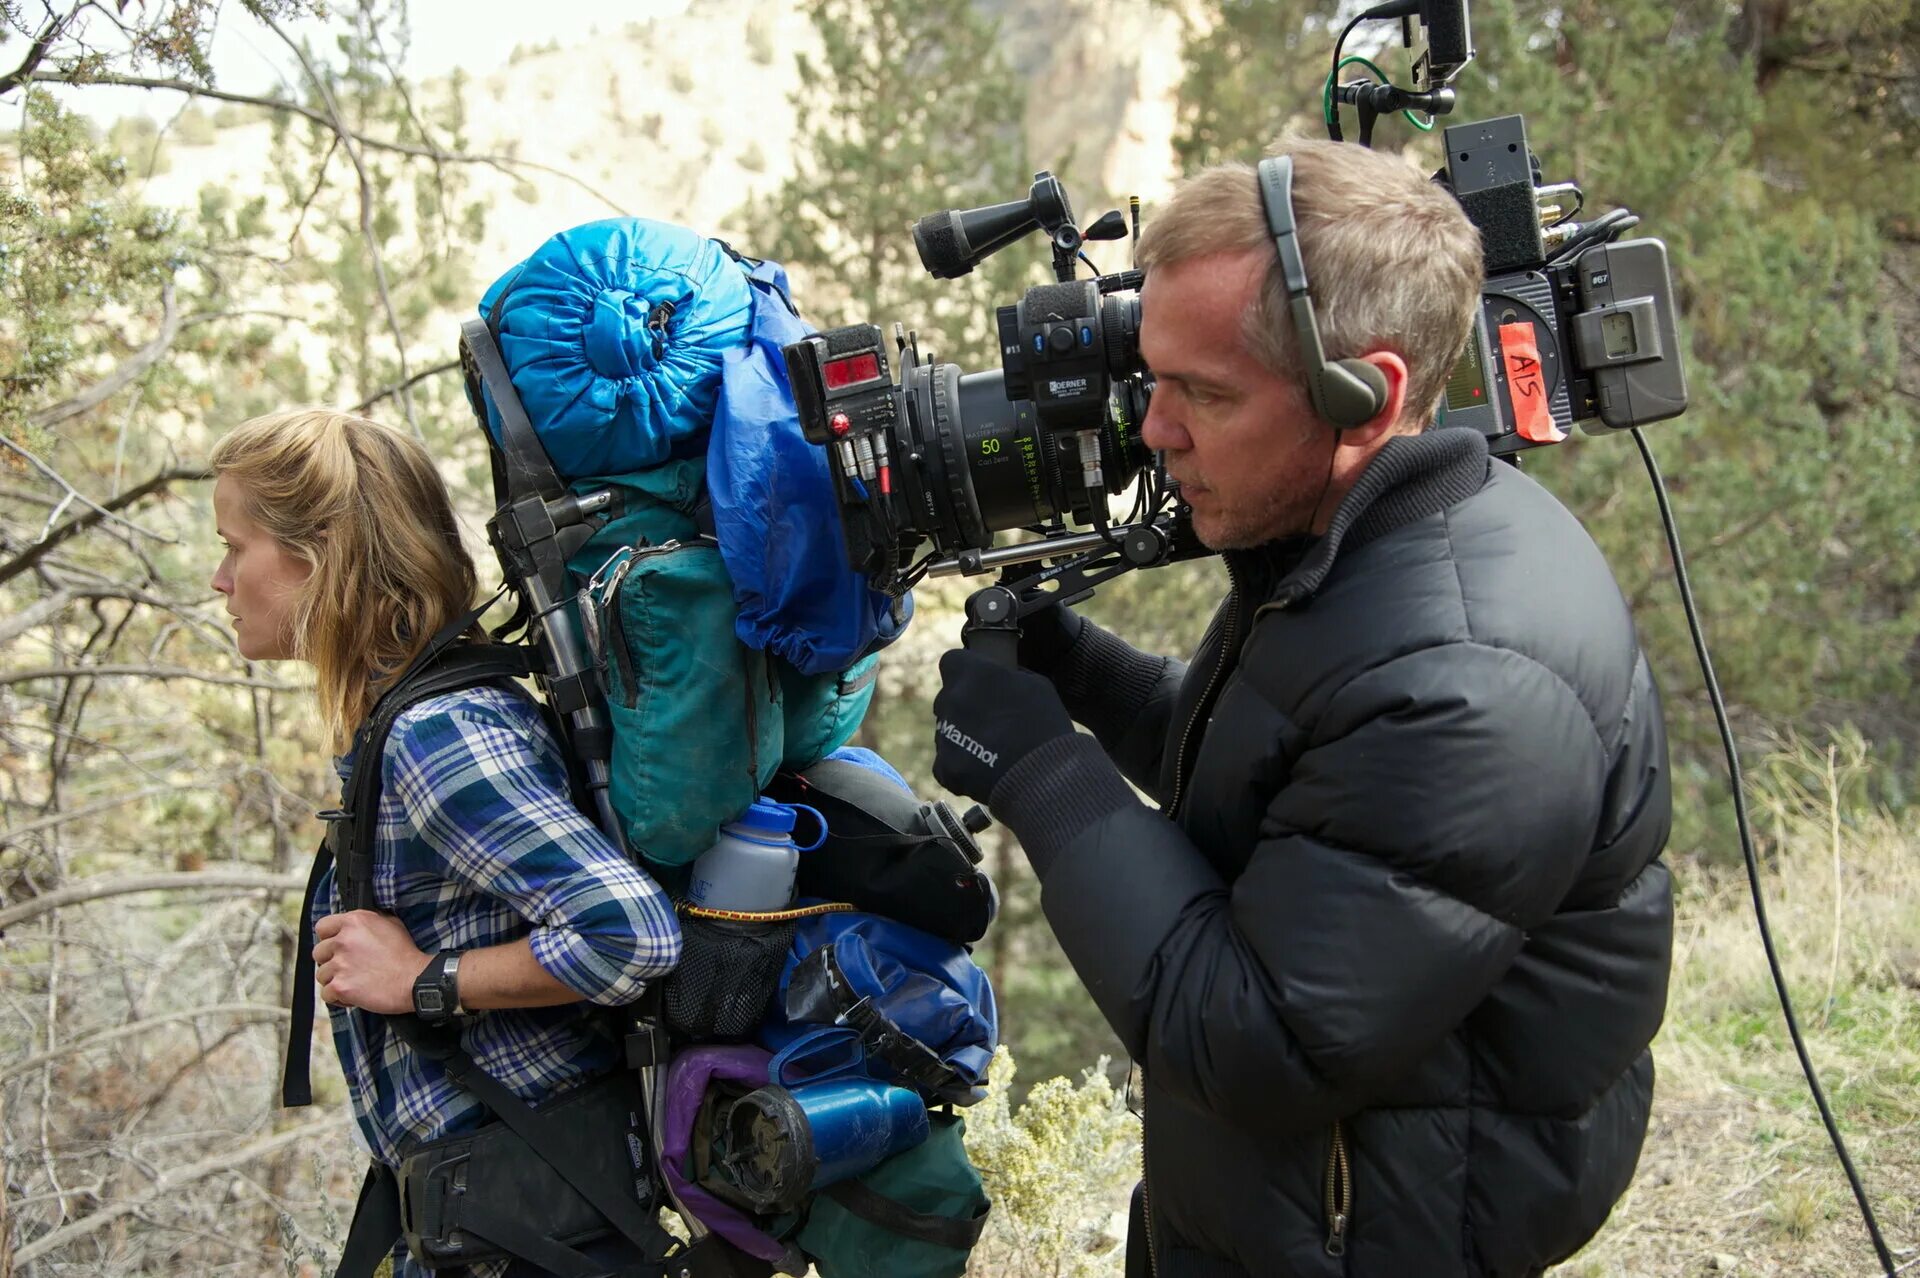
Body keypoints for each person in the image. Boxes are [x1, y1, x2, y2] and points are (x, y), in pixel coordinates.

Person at [930, 139, 1674, 1277]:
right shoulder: (1375, 539)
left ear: (1365, 398)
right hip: (1292, 1206)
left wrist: (1045, 774)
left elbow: (1257, 1038)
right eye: (1154, 374)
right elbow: (1296, 779)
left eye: (1206, 394)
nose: (1153, 431)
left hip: (1371, 1231)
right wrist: (1083, 674)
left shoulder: (1471, 681)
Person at [209, 410, 682, 1278]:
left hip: (542, 1239)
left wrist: (422, 981)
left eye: (235, 547)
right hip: (503, 1226)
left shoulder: (439, 733)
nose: (218, 578)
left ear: (318, 556)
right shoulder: (409, 722)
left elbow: (632, 936)